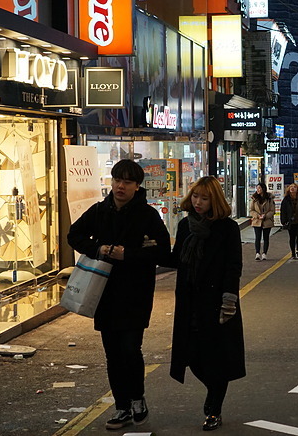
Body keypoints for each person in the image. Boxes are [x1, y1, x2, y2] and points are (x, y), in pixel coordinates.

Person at [66, 159, 171, 430]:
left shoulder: (147, 215)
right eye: (116, 180)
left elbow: (162, 251)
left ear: (137, 186)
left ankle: (137, 399)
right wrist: (99, 248)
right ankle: (122, 406)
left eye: (126, 182)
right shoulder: (100, 211)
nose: (120, 186)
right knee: (112, 352)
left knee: (130, 348)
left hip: (135, 291)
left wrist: (129, 254)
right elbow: (74, 235)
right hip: (103, 292)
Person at [166, 176, 246, 431]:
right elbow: (176, 259)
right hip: (189, 302)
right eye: (196, 197)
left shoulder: (227, 228)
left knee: (217, 357)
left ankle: (214, 408)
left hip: (216, 302)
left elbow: (233, 267)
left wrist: (229, 300)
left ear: (215, 201)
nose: (198, 202)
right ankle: (214, 390)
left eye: (204, 198)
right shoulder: (185, 226)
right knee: (191, 355)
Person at [250, 183, 275, 260]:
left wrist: (265, 216)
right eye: (257, 188)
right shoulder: (254, 198)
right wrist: (257, 216)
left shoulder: (269, 198)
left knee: (266, 237)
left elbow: (272, 210)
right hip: (257, 221)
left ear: (263, 189)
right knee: (257, 237)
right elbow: (251, 210)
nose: (258, 190)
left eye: (259, 188)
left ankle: (264, 253)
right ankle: (257, 253)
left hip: (267, 221)